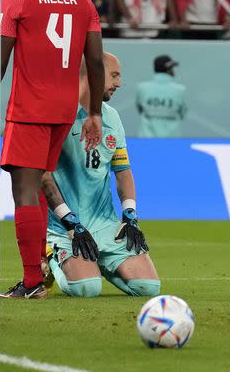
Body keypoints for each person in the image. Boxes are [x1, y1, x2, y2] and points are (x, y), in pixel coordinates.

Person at [0, 0, 105, 299]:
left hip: (29, 110)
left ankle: (31, 283)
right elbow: (95, 61)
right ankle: (39, 270)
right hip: (63, 111)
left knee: (24, 191)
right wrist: (94, 113)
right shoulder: (82, 1)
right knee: (40, 183)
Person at [42, 52, 160, 297]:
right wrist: (70, 221)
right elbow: (42, 174)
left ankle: (100, 261)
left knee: (148, 288)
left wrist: (130, 215)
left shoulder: (112, 117)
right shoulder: (58, 113)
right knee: (86, 289)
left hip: (105, 225)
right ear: (94, 75)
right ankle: (50, 255)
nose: (119, 83)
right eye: (114, 75)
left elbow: (123, 171)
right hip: (65, 227)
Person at [136, 55, 186, 138]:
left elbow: (140, 109)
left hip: (146, 140)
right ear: (168, 69)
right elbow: (182, 113)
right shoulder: (180, 90)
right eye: (172, 68)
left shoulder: (142, 88)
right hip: (172, 140)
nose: (173, 71)